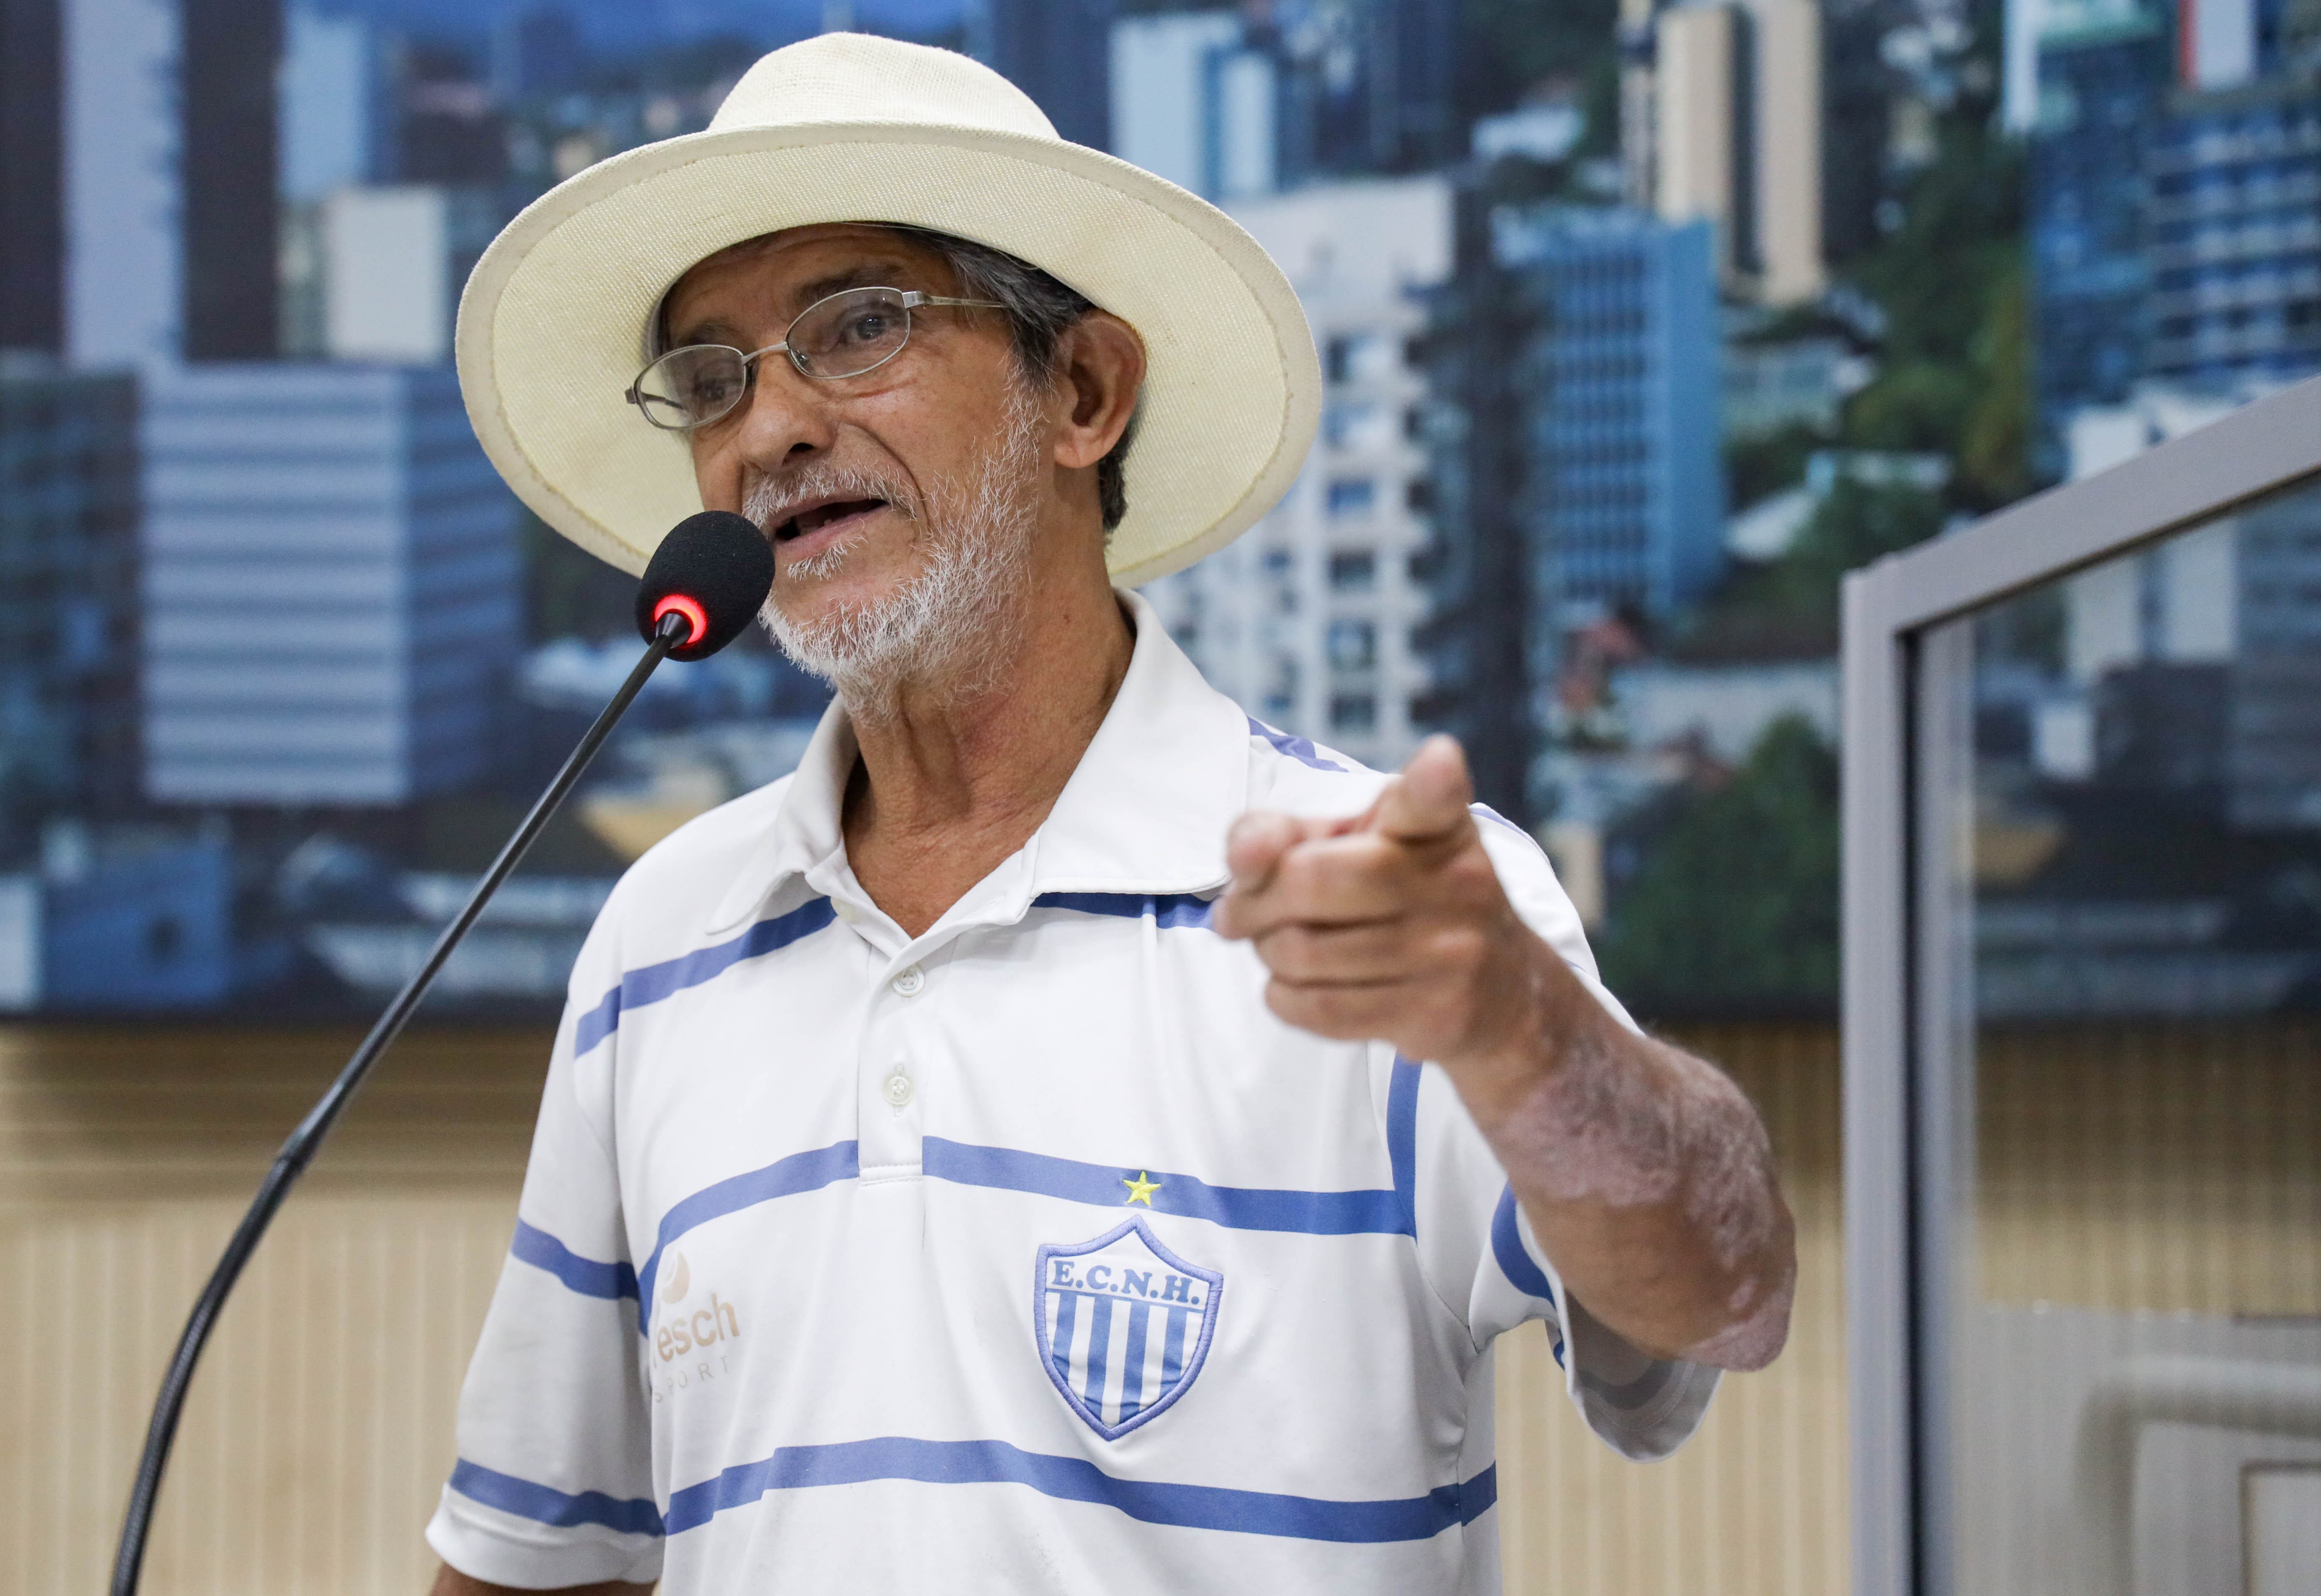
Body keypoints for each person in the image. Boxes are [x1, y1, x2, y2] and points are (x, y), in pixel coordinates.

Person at [427, 33, 1795, 1595]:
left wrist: (1530, 1039)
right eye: (713, 377)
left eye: (859, 326)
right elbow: (539, 1555)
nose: (770, 432)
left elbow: (1727, 1299)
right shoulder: (662, 939)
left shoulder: (1404, 912)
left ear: (1082, 392)